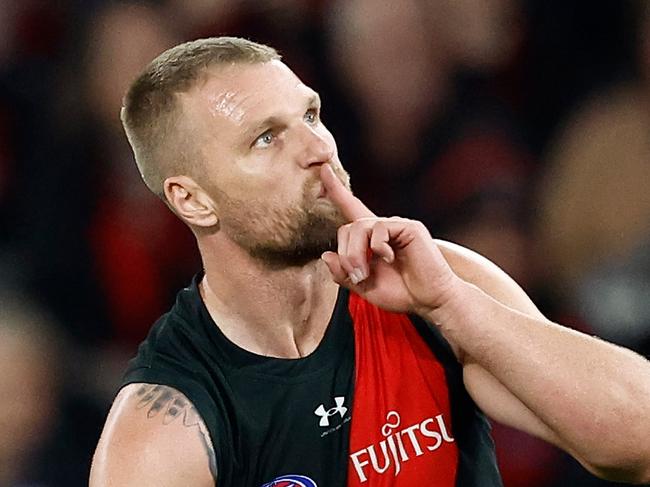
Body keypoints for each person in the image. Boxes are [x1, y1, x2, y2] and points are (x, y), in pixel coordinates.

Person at [89, 37, 650, 486]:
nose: (317, 150)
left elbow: (638, 444)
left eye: (310, 115)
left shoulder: (439, 285)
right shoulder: (163, 432)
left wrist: (454, 306)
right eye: (265, 139)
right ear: (193, 199)